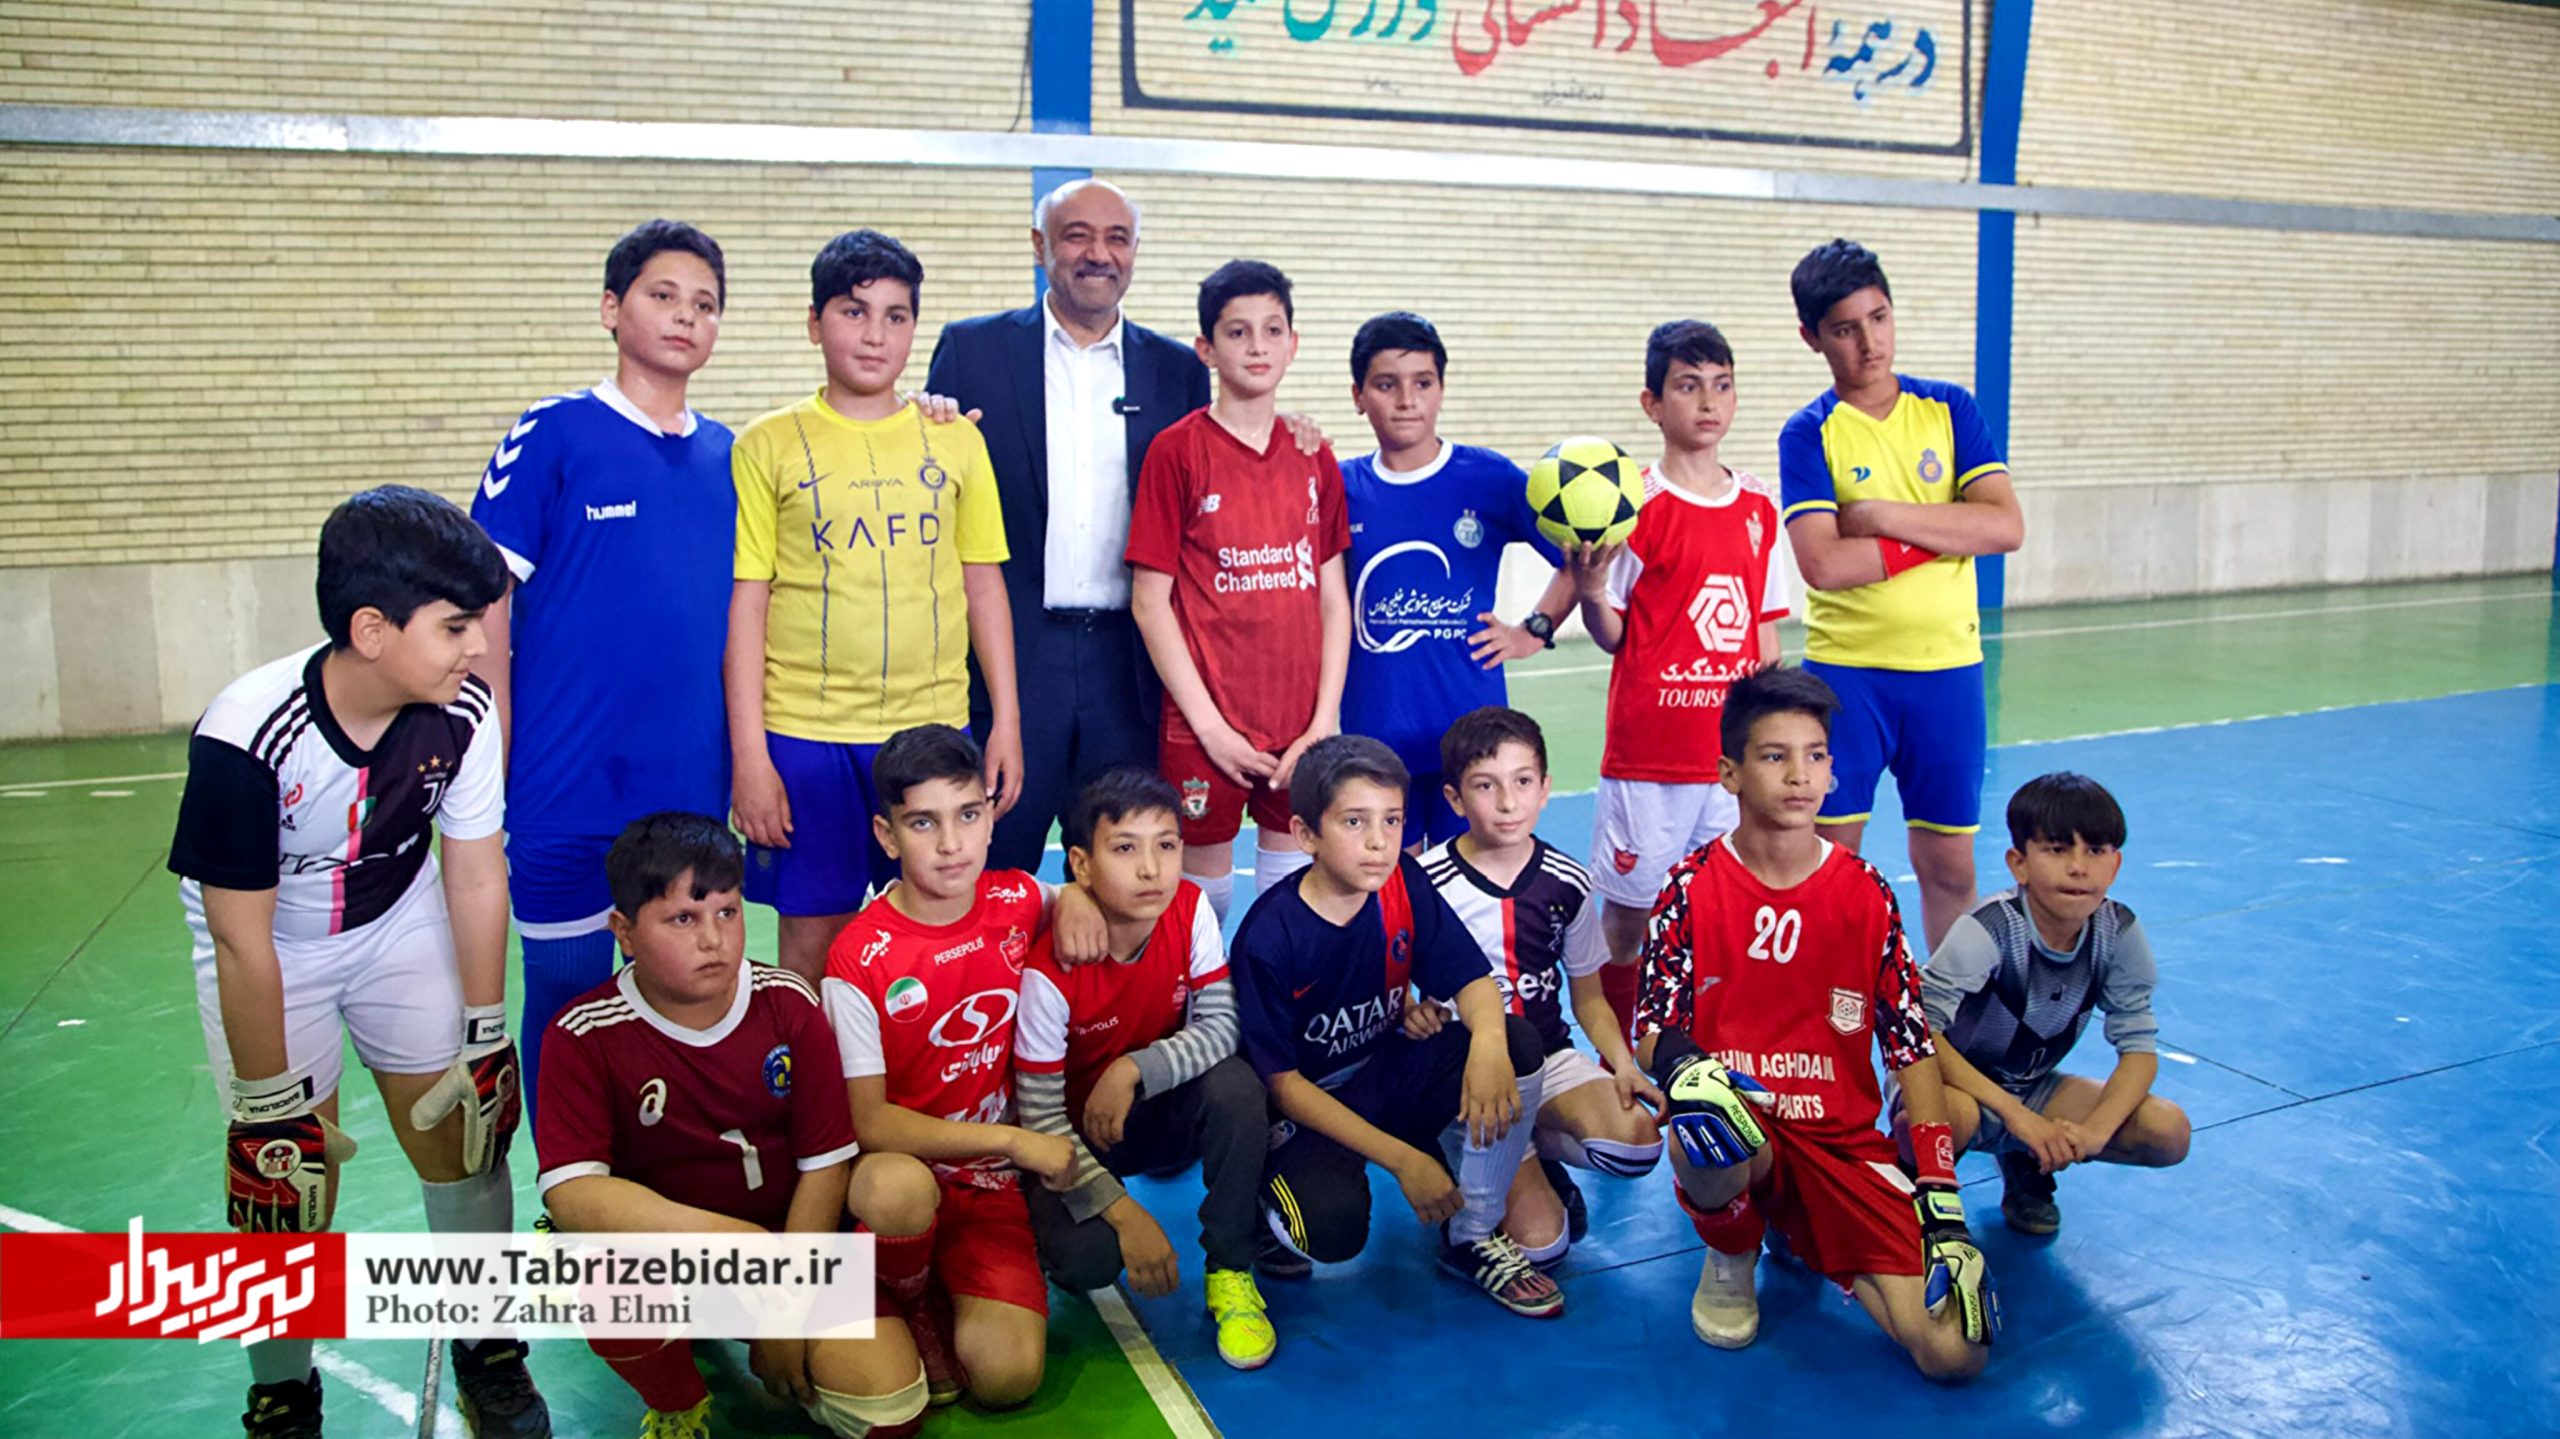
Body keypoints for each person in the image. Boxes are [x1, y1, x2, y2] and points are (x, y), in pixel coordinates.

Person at [168, 486, 548, 1437]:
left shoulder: (465, 710)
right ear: (371, 629)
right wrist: (268, 1107)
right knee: (285, 1181)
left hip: (398, 924)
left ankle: (488, 1345)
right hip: (273, 948)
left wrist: (485, 1030)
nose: (478, 647)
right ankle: (282, 1394)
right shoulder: (244, 736)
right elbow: (241, 938)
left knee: (469, 1134)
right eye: (456, 625)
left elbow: (473, 872)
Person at [1634, 665, 1993, 1382]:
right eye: (1775, 756)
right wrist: (1684, 1066)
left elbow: (1911, 1048)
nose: (1799, 775)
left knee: (1955, 1353)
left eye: (1816, 755)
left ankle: (1802, 1231)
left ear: (1832, 771)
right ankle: (1732, 1250)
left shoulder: (1868, 893)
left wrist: (1943, 1201)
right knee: (1704, 1113)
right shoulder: (1690, 886)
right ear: (1730, 774)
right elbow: (1651, 1030)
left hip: (1843, 1145)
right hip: (1746, 1132)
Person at [536, 813, 931, 1439]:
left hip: (796, 1245)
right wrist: (739, 1243)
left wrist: (786, 1306)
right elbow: (573, 1191)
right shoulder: (583, 1034)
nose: (713, 939)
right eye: (682, 919)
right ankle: (677, 1403)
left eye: (727, 912)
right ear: (625, 932)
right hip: (683, 1257)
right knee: (610, 1284)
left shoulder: (788, 1004)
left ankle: (881, 1318)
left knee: (887, 1412)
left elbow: (826, 1163)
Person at [470, 219, 737, 1129]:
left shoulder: (730, 456)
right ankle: (568, 1182)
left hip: (689, 799)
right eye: (664, 295)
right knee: (566, 999)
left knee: (682, 1003)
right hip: (565, 791)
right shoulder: (554, 433)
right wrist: (492, 758)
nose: (686, 316)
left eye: (705, 304)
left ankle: (664, 1175)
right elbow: (485, 608)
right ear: (611, 308)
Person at [728, 229, 1022, 984]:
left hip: (933, 724)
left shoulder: (953, 440)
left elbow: (984, 586)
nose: (874, 335)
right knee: (813, 942)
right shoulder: (765, 445)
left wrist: (1007, 721)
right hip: (807, 734)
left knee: (938, 922)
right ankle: (816, 1067)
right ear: (814, 322)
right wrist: (751, 756)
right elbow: (748, 604)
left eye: (896, 316)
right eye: (853, 312)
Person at [919, 179, 1208, 875]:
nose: (1098, 254)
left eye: (1117, 238)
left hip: (1129, 667)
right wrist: (921, 419)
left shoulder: (1177, 372)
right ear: (1039, 246)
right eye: (1077, 236)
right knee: (995, 866)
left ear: (1135, 251)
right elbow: (931, 475)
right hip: (1015, 659)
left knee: (1122, 872)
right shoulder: (972, 351)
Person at [817, 724, 1103, 1410]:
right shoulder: (858, 957)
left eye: (968, 815)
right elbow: (869, 1122)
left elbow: (1059, 896)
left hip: (988, 1187)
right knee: (895, 1189)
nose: (952, 843)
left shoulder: (1016, 900)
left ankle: (943, 1279)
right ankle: (908, 1294)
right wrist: (1012, 1139)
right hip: (903, 1171)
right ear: (888, 836)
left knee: (1008, 1378)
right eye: (924, 822)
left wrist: (1077, 896)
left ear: (990, 817)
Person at [1230, 735, 1560, 1317]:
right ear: (1305, 834)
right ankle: (1264, 1202)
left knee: (1515, 1041)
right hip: (1310, 1110)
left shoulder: (1402, 881)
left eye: (1393, 820)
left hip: (1385, 1076)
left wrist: (1487, 1045)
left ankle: (1473, 1234)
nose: (1379, 841)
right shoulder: (1270, 937)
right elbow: (1284, 1086)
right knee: (1330, 1232)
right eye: (1354, 822)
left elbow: (1473, 981)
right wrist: (1403, 1160)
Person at [1778, 238, 2025, 950]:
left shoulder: (1949, 409)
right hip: (1848, 676)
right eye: (1845, 329)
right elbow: (1824, 563)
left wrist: (1882, 515)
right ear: (1812, 337)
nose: (1869, 343)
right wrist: (1949, 532)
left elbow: (2004, 526)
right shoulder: (1809, 433)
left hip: (1948, 672)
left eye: (1879, 319)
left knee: (1950, 864)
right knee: (1829, 862)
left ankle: (1947, 1008)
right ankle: (1831, 1010)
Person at [1013, 767, 1277, 1370]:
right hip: (1075, 1136)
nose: (1152, 869)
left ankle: (1231, 1269)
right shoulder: (1050, 970)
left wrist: (1131, 1069)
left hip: (1149, 1107)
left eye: (1167, 845)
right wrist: (1124, 1214)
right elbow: (1041, 1119)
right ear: (1081, 865)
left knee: (1237, 1088)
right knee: (1088, 1261)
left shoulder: (1189, 907)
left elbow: (1222, 1027)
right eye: (1126, 849)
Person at [1572, 320, 1788, 1041]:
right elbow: (1614, 635)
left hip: (1728, 763)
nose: (1708, 402)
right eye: (1689, 386)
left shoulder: (1758, 505)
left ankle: (1717, 1043)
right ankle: (1619, 1055)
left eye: (1721, 386)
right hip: (1649, 760)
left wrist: (1769, 742)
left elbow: (1763, 634)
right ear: (1653, 404)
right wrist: (1591, 591)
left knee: (1725, 910)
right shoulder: (1633, 504)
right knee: (1630, 916)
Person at [1126, 259, 1353, 922]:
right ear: (1207, 349)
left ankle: (1271, 990)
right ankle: (1203, 988)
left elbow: (1332, 598)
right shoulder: (1176, 451)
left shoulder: (1314, 455)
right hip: (1207, 727)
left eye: (1272, 330)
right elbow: (1149, 600)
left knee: (1293, 894)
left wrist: (1324, 721)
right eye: (1237, 332)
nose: (1257, 346)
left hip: (1299, 726)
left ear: (1293, 343)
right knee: (1203, 901)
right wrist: (1209, 727)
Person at [1413, 706, 1662, 1269]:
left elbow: (1589, 995)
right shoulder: (1426, 884)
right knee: (1542, 1247)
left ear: (1545, 788)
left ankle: (1533, 1156)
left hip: (1548, 1060)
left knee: (1637, 1143)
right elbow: (1394, 986)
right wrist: (1413, 1011)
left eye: (1522, 781)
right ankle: (1459, 1152)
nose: (1508, 802)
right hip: (1470, 1081)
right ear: (1455, 799)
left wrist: (1622, 1063)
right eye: (1486, 786)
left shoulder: (1567, 881)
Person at [1901, 772, 2191, 1236]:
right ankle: (1908, 1187)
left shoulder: (2118, 932)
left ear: (2115, 865)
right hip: (1949, 1083)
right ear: (2019, 863)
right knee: (1948, 1118)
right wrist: (2020, 1120)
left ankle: (2024, 1161)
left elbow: (2138, 1049)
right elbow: (1918, 1035)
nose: (2078, 867)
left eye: (2095, 851)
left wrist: (2093, 1134)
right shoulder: (1991, 928)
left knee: (2167, 1131)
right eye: (2057, 850)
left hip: (2029, 1086)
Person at [1338, 312, 1577, 851]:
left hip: (1470, 742)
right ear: (1358, 396)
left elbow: (1573, 558)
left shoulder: (1487, 477)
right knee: (1389, 883)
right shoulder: (1340, 486)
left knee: (1469, 879)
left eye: (1423, 383)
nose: (1407, 400)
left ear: (1441, 390)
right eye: (1386, 385)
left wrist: (1534, 630)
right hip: (1377, 738)